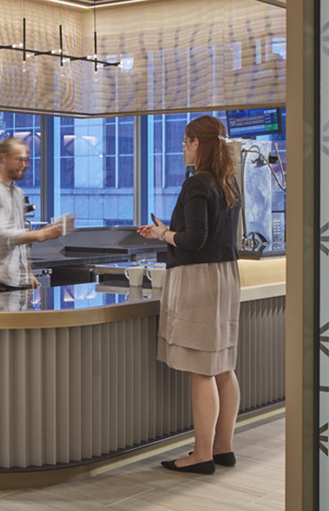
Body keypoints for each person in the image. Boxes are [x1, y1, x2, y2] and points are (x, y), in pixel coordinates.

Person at [137, 114, 243, 475]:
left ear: (198, 143)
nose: (183, 147)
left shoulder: (197, 183)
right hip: (225, 277)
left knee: (200, 370)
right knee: (223, 366)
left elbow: (194, 240)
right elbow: (211, 234)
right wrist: (168, 231)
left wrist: (165, 235)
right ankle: (222, 447)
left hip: (199, 282)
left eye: (185, 141)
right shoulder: (228, 182)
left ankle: (201, 455)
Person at [0, 137, 69, 292]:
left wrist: (28, 273)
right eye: (19, 160)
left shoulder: (17, 192)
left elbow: (19, 244)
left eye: (26, 160)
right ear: (2, 158)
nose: (24, 165)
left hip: (17, 280)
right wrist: (43, 234)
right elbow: (0, 236)